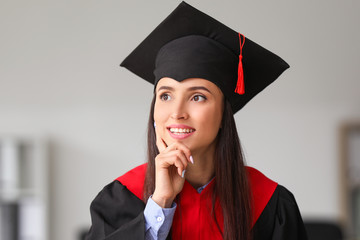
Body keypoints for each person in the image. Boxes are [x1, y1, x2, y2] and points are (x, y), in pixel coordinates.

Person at [85, 2, 308, 240]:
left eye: (198, 96)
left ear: (224, 113)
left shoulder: (270, 202)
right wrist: (159, 203)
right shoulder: (121, 198)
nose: (177, 112)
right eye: (166, 95)